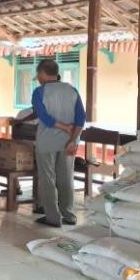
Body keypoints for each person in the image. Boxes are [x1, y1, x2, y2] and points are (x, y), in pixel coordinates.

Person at [29, 59, 86, 228]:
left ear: (42, 73)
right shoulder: (72, 90)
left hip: (46, 142)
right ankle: (69, 215)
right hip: (68, 143)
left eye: (38, 74)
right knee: (66, 177)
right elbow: (81, 118)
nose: (38, 78)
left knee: (48, 179)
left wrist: (63, 126)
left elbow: (44, 117)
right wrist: (73, 140)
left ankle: (53, 217)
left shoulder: (39, 92)